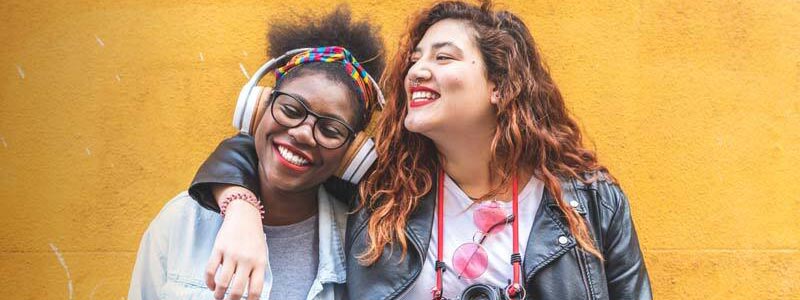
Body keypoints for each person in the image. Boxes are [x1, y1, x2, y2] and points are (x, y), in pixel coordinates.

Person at [190, 1, 652, 299]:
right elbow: (273, 150)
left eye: (443, 57)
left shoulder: (591, 202)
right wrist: (241, 210)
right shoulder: (380, 192)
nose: (417, 72)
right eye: (415, 60)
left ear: (500, 86)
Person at [127, 6, 385, 300]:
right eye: (290, 110)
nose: (302, 133)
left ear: (352, 155)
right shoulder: (181, 224)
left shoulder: (364, 246)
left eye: (330, 130)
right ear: (258, 109)